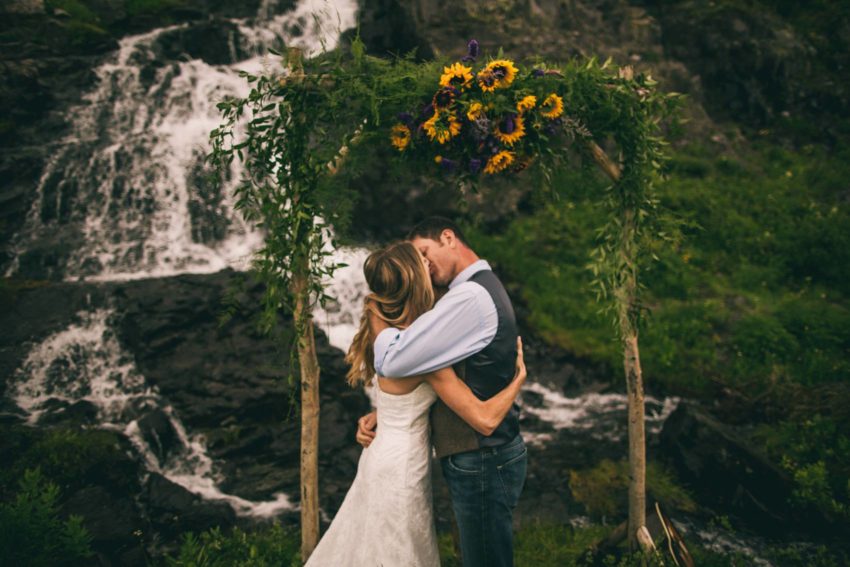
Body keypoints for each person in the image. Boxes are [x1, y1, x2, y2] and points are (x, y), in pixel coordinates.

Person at [305, 240, 526, 566]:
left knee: (374, 545)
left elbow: (401, 394)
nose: (429, 266)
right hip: (403, 466)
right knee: (397, 551)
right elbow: (485, 419)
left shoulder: (390, 332)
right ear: (416, 279)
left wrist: (383, 413)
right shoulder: (425, 356)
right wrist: (518, 380)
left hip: (382, 456)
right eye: (423, 262)